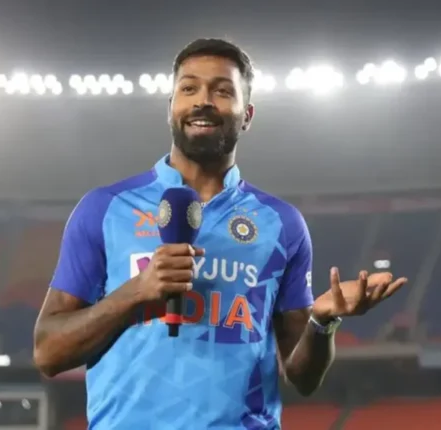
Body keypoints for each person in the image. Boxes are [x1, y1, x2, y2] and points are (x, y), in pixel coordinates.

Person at [33, 38, 408, 429]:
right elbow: (48, 353)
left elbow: (303, 377)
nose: (203, 101)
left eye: (222, 91)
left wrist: (323, 321)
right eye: (189, 88)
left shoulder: (282, 223)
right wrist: (136, 292)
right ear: (171, 108)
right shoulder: (105, 208)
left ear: (247, 115)